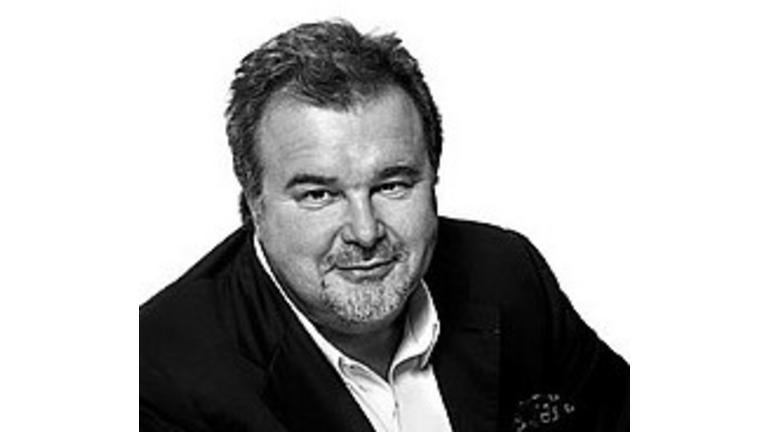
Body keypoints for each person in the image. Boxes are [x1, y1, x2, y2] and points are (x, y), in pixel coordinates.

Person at [140, 20, 629, 432]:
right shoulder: (158, 373)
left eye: (391, 185)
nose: (365, 231)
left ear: (433, 176)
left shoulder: (504, 271)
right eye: (319, 194)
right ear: (254, 203)